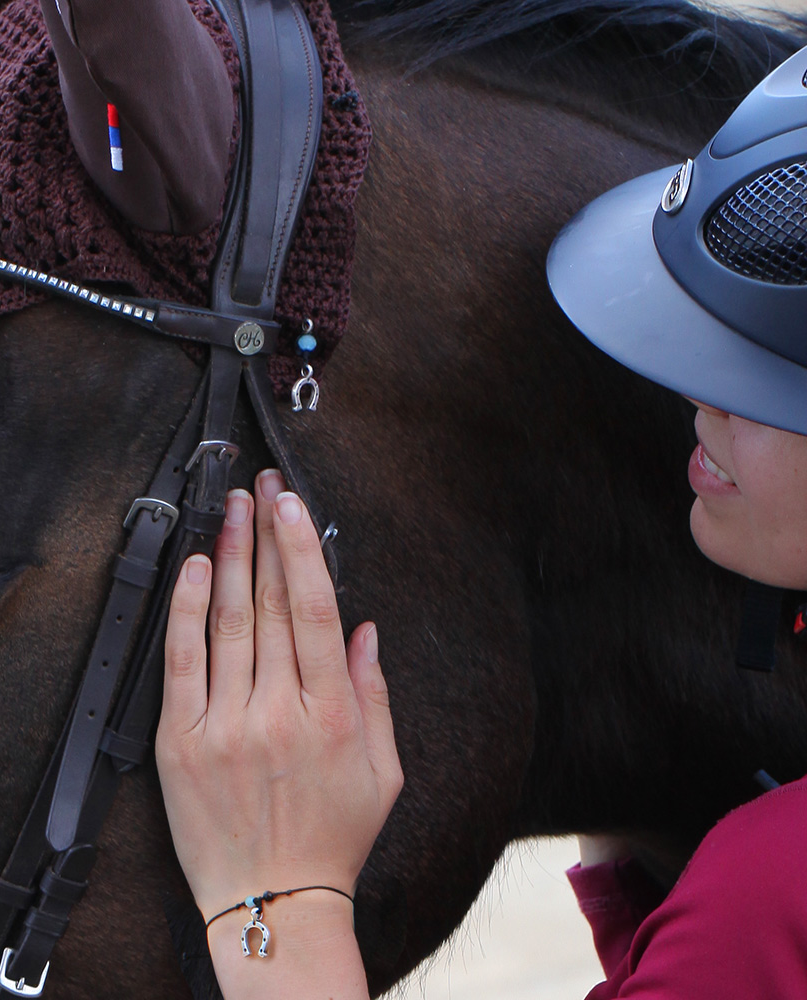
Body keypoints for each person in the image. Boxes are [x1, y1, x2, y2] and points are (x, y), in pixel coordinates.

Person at [156, 44, 807, 1000]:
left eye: (757, 376)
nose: (698, 398)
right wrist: (640, 895)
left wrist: (272, 914)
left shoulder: (768, 893)